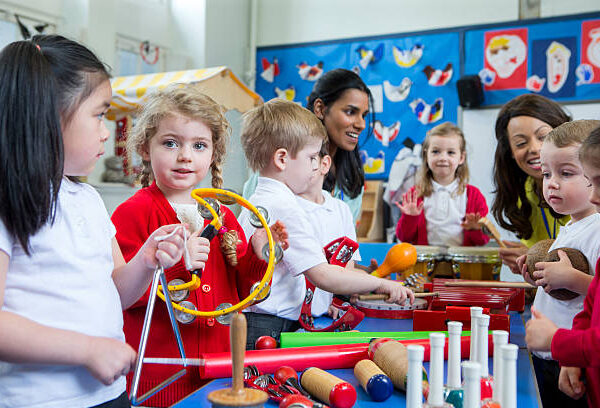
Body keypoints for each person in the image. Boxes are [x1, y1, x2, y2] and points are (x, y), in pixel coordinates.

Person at [0, 35, 186, 408]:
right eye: (100, 115)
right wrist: (85, 350)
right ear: (48, 116)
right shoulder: (9, 200)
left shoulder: (87, 200)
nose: (106, 131)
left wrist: (146, 262)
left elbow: (115, 293)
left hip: (109, 393)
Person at [111, 86, 287, 407]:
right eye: (170, 143)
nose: (185, 156)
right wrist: (177, 265)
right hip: (159, 379)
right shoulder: (133, 213)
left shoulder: (223, 217)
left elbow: (245, 287)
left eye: (199, 145)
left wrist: (262, 254)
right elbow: (121, 295)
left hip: (217, 374)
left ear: (213, 154)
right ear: (145, 148)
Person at [238, 99, 414, 348]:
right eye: (311, 157)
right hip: (268, 327)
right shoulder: (284, 207)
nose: (315, 167)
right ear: (282, 159)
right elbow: (323, 274)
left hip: (262, 322)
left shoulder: (261, 199)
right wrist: (381, 283)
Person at [520, 120, 600, 408]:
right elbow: (563, 289)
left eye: (566, 173)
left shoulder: (597, 227)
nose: (551, 182)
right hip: (552, 353)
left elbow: (595, 291)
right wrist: (540, 275)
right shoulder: (570, 224)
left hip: (572, 357)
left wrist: (571, 279)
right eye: (546, 173)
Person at [243, 68, 373, 221]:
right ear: (320, 109)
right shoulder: (281, 161)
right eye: (350, 112)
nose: (361, 124)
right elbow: (256, 220)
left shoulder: (351, 176)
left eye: (363, 115)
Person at [492, 94, 571, 274]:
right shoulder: (523, 191)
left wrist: (535, 256)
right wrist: (524, 260)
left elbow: (587, 261)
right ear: (510, 152)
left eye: (543, 137)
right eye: (520, 143)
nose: (534, 148)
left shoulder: (588, 188)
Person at [395, 122, 489, 247]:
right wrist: (410, 218)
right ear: (426, 156)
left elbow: (483, 240)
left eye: (450, 152)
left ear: (461, 157)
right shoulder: (414, 195)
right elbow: (404, 237)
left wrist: (475, 229)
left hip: (462, 265)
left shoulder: (474, 195)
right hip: (426, 265)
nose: (443, 158)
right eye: (436, 151)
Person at [296, 143, 361, 319]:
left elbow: (348, 262)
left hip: (323, 312)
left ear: (324, 164)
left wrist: (338, 300)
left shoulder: (341, 209)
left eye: (308, 159)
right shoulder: (288, 204)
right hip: (291, 312)